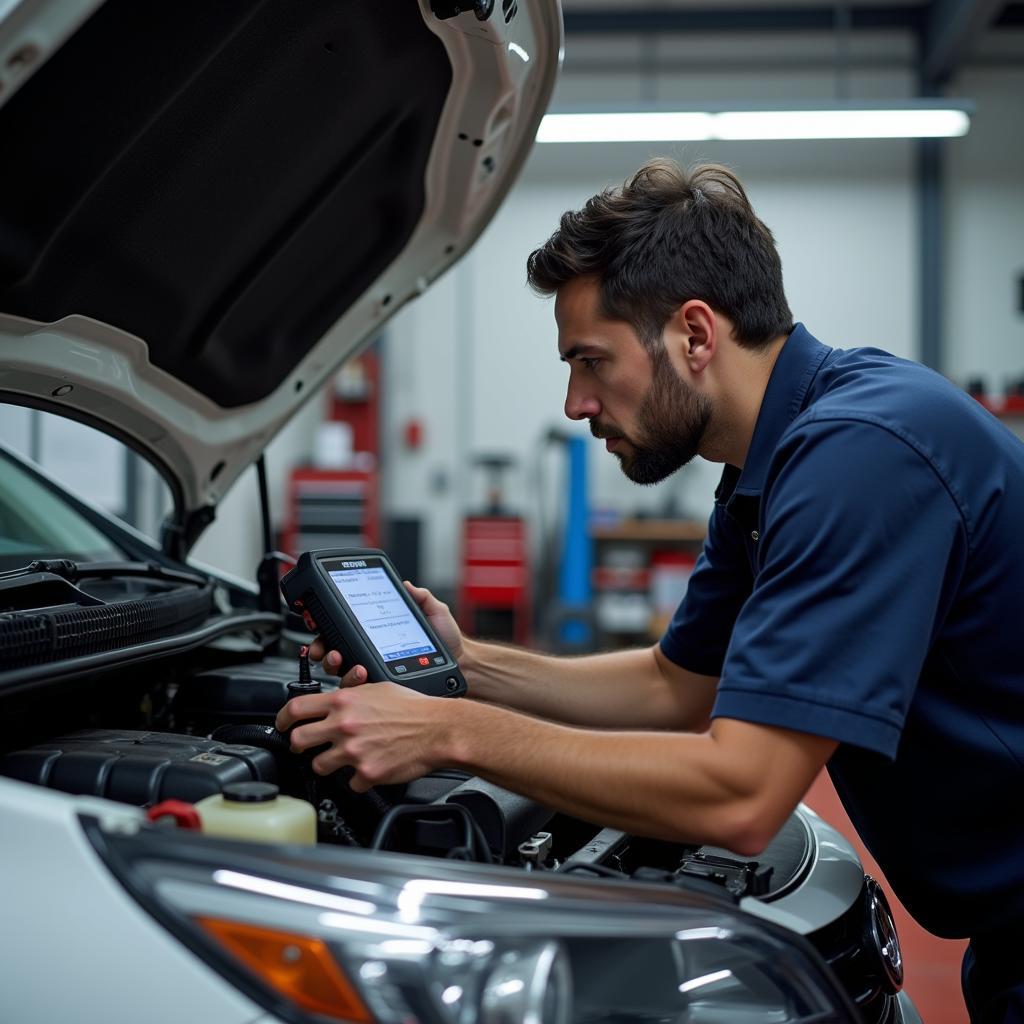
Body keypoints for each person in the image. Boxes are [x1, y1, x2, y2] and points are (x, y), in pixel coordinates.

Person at [277, 159, 1024, 1023]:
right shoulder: (771, 464)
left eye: (590, 361)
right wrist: (468, 665)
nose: (573, 401)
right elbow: (678, 685)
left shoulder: (859, 455)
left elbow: (741, 794)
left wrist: (451, 731)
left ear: (696, 335)